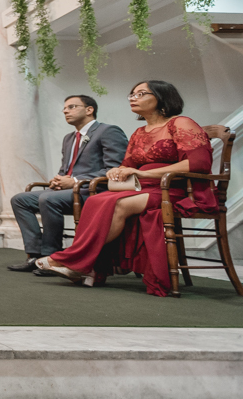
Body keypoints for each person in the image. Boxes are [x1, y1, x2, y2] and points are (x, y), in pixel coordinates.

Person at [36, 80, 217, 296]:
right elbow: (128, 165)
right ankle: (86, 266)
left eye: (140, 94)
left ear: (162, 97)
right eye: (131, 94)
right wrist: (118, 171)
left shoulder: (181, 123)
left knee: (118, 203)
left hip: (176, 189)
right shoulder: (140, 132)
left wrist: (144, 173)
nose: (133, 98)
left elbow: (198, 164)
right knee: (96, 200)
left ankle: (71, 260)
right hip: (143, 188)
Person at [8, 95, 127, 275]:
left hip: (94, 191)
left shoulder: (108, 131)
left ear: (89, 110)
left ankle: (52, 258)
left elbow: (116, 168)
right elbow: (67, 169)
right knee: (20, 200)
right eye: (65, 108)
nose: (65, 111)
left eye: (71, 107)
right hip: (70, 191)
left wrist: (75, 181)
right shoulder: (69, 138)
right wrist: (59, 180)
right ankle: (35, 256)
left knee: (48, 198)